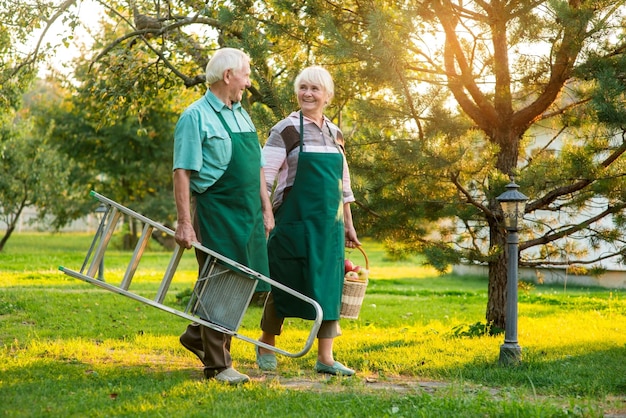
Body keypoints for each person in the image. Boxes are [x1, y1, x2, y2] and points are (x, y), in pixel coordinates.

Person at [172, 48, 274, 384]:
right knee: (221, 279)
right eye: (245, 74)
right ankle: (218, 364)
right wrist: (185, 221)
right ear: (228, 76)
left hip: (248, 209)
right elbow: (182, 173)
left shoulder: (243, 114)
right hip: (216, 209)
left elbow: (256, 165)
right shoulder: (195, 116)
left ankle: (196, 335)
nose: (248, 81)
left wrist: (265, 206)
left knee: (243, 280)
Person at [256, 66, 361, 376]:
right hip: (292, 221)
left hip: (330, 226)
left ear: (327, 95)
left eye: (315, 89)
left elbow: (344, 185)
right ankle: (266, 342)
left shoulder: (335, 133)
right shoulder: (285, 129)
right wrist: (267, 214)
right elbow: (264, 175)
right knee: (284, 281)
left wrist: (349, 225)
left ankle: (325, 358)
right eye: (303, 87)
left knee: (329, 286)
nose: (308, 94)